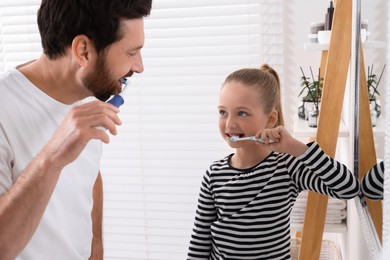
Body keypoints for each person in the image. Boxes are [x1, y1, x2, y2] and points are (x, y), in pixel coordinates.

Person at [0, 0, 152, 259]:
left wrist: (96, 245)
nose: (139, 66)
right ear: (83, 51)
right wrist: (54, 156)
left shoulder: (91, 90)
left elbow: (89, 174)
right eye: (131, 53)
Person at [187, 64, 360, 260]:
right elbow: (199, 244)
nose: (229, 124)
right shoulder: (214, 174)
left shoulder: (287, 167)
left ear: (271, 119)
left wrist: (296, 147)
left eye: (241, 113)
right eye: (223, 112)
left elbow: (349, 188)